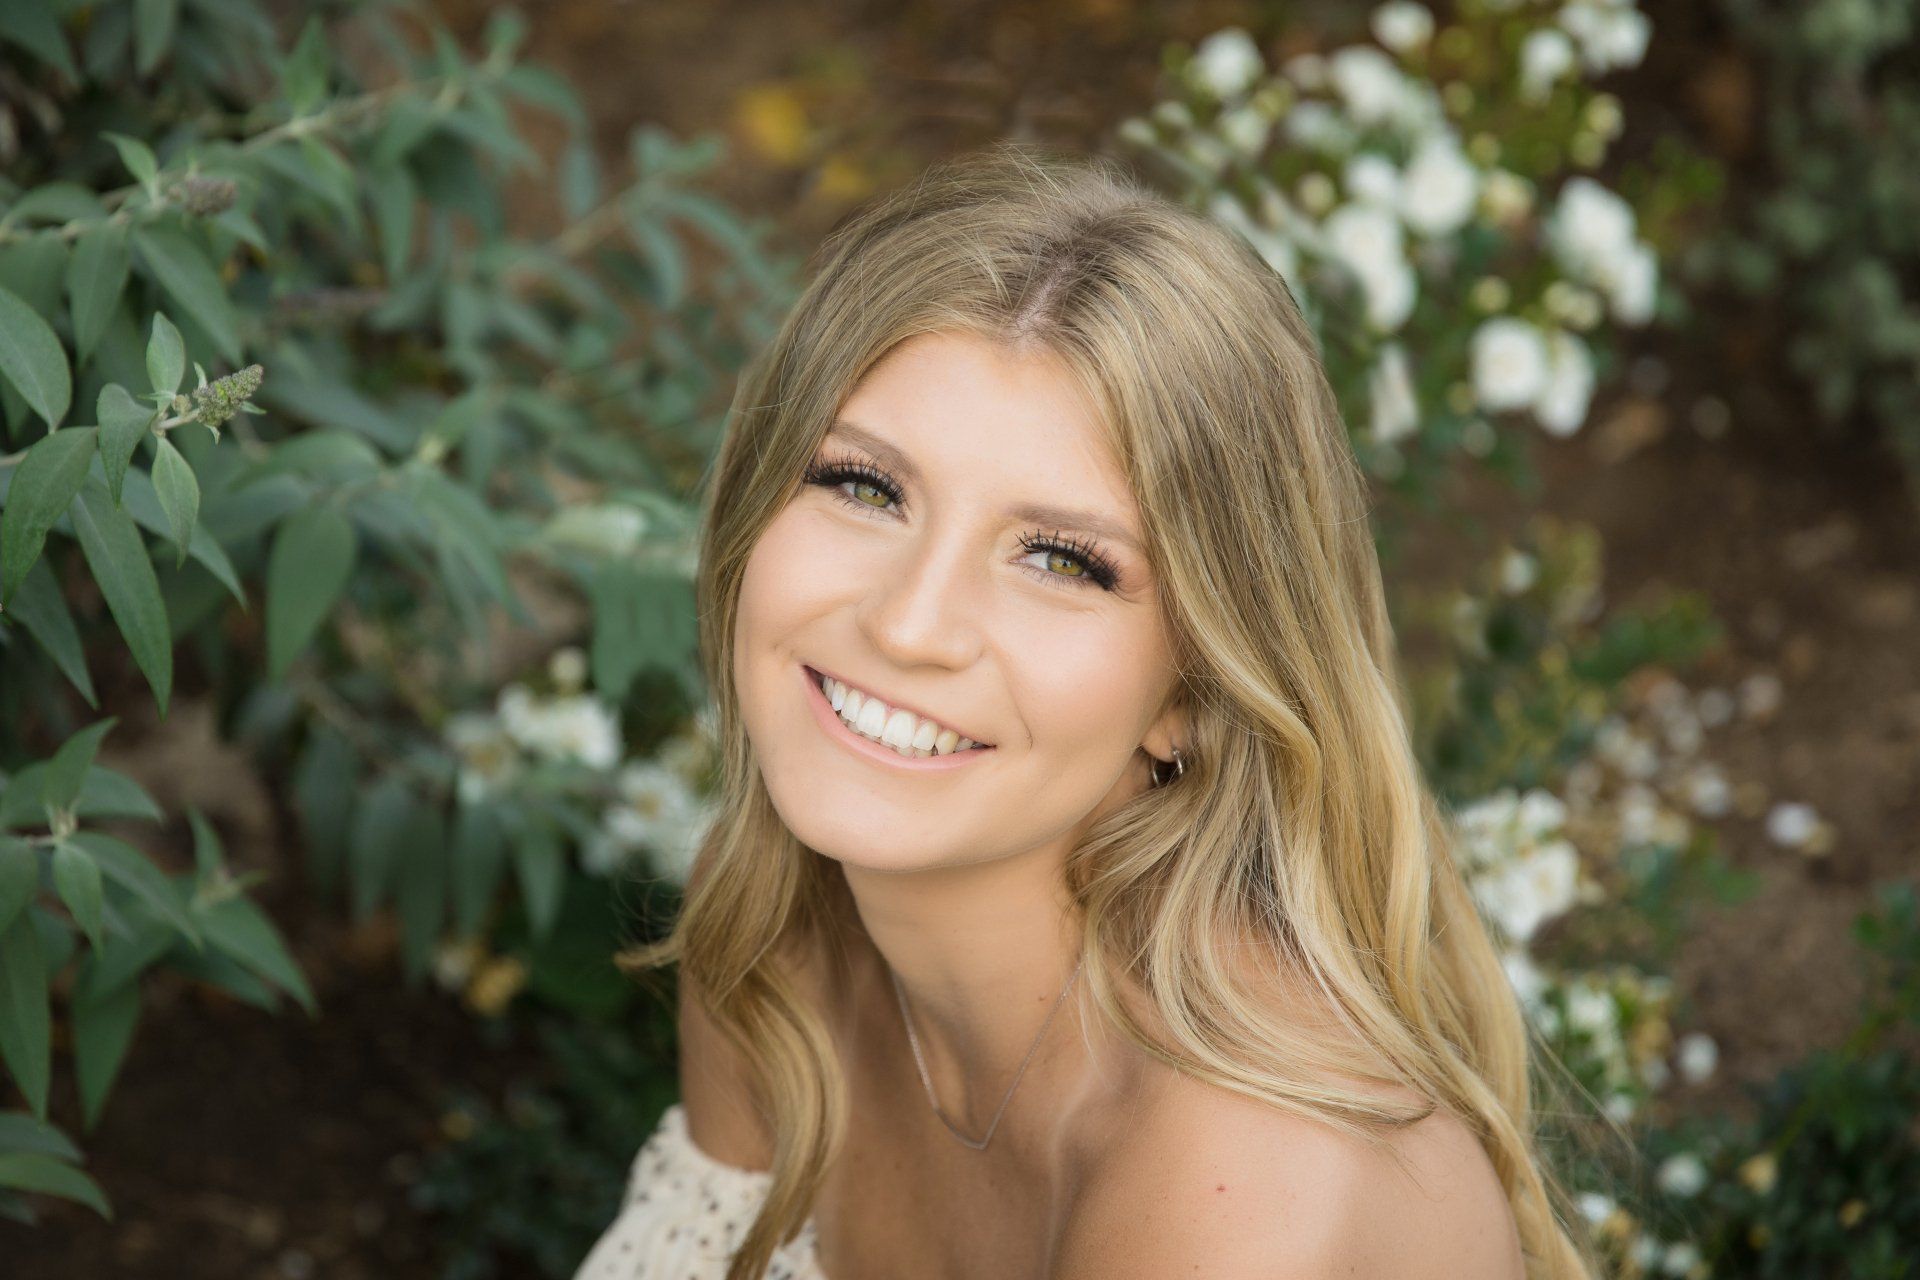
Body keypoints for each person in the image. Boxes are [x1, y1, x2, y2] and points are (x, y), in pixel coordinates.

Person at [574, 142, 1605, 1280]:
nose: (911, 624)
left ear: (1197, 695)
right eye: (864, 486)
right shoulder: (775, 924)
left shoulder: (1242, 1188)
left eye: (1063, 560)